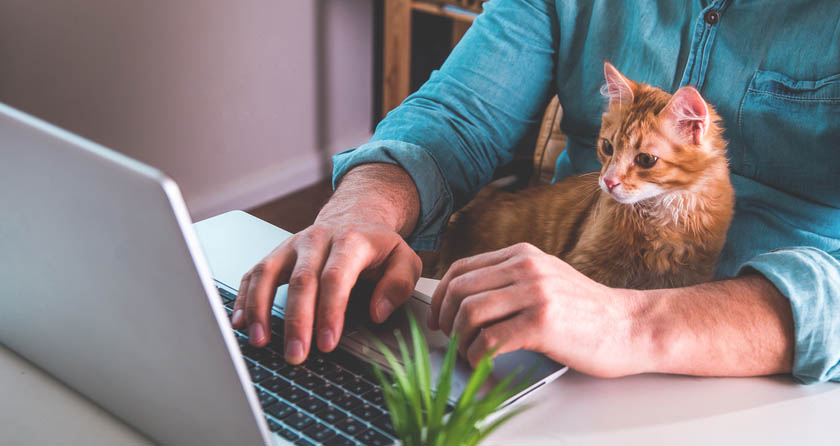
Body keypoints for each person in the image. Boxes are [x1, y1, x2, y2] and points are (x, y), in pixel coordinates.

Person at [231, 0, 840, 384]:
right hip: (557, 330)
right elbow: (459, 113)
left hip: (776, 376)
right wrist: (363, 208)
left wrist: (634, 324)